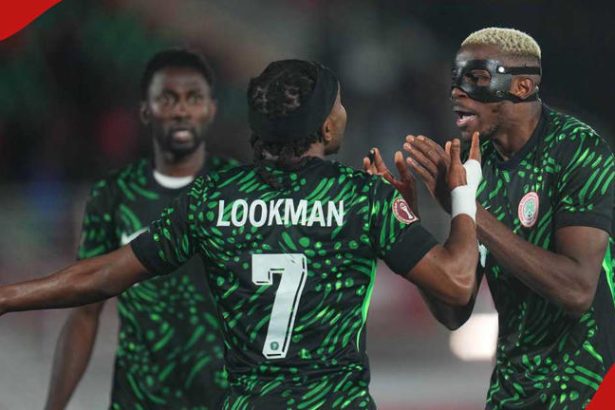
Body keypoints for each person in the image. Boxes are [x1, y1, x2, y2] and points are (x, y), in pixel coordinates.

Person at [1, 59, 481, 409]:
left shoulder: (211, 199)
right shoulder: (362, 197)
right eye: (338, 104)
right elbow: (458, 287)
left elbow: (104, 275)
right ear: (322, 125)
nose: (344, 112)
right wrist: (462, 194)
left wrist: (7, 296)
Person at [403, 27, 614, 409]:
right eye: (455, 78)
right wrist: (407, 230)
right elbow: (454, 310)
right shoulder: (473, 164)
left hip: (592, 389)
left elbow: (577, 291)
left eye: (476, 77)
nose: (457, 91)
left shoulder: (577, 149)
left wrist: (466, 206)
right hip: (512, 393)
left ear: (521, 86)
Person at [44, 49, 236, 410]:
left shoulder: (239, 189)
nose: (181, 110)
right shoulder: (114, 194)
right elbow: (85, 312)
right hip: (138, 398)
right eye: (168, 98)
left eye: (194, 98)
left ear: (211, 108)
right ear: (146, 110)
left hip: (225, 398)